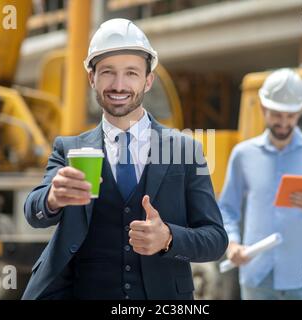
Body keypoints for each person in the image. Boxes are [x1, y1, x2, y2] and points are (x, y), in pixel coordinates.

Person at [22, 18, 228, 300]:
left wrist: (168, 237)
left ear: (148, 80)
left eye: (131, 73)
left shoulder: (185, 150)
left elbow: (216, 239)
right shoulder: (69, 148)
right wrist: (53, 198)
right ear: (91, 78)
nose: (119, 85)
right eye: (108, 72)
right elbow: (33, 213)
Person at [219, 68, 302, 300]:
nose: (284, 123)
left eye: (291, 116)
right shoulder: (243, 154)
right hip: (256, 274)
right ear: (263, 108)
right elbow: (227, 209)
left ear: (300, 112)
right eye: (277, 115)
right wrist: (233, 244)